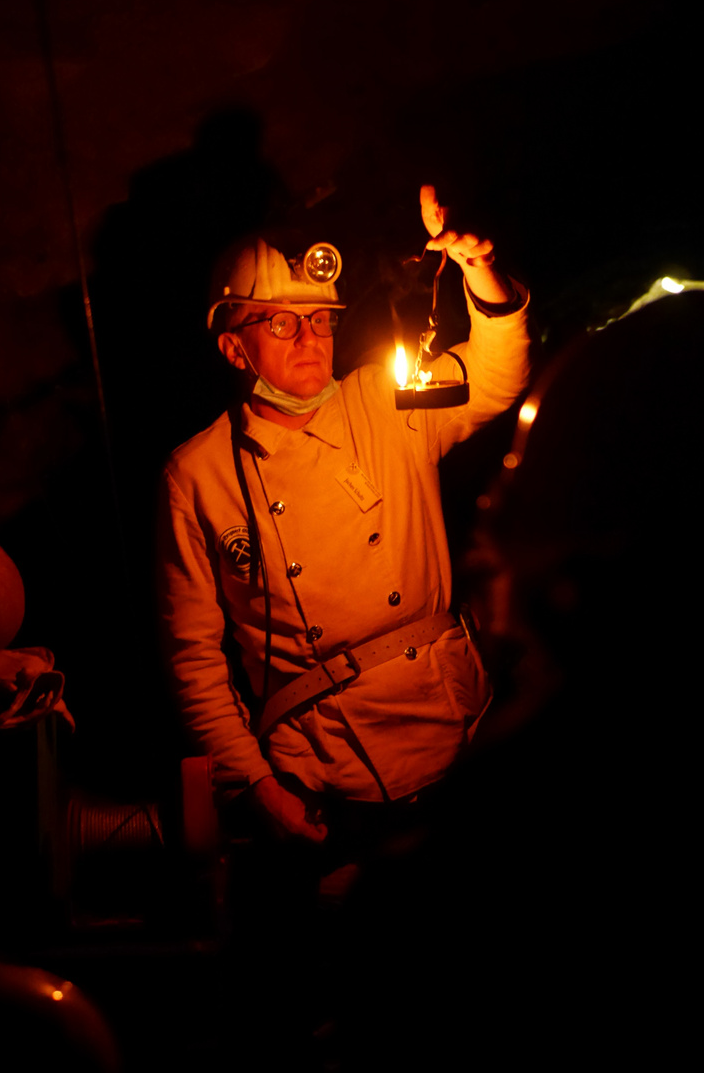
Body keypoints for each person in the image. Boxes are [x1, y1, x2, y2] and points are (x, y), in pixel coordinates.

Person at [158, 186, 532, 853]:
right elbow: (194, 661)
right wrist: (256, 787)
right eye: (279, 322)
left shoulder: (384, 399)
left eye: (321, 320)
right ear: (233, 348)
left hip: (459, 733)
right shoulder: (199, 474)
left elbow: (498, 375)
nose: (308, 338)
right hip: (326, 779)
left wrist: (477, 266)